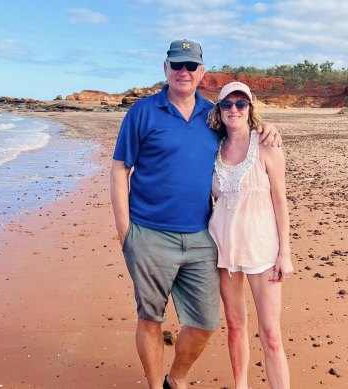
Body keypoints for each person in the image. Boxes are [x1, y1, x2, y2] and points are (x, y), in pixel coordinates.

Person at [110, 39, 281, 389]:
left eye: (191, 66)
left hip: (204, 237)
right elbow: (118, 169)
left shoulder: (211, 116)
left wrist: (268, 127)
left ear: (201, 72)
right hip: (148, 233)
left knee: (206, 321)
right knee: (150, 316)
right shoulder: (142, 112)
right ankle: (156, 385)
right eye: (177, 65)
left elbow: (241, 129)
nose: (183, 72)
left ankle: (178, 377)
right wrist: (124, 228)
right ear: (166, 69)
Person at [207, 82, 294, 389]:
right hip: (224, 248)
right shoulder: (212, 148)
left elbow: (281, 201)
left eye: (241, 104)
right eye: (227, 104)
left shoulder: (267, 145)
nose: (234, 109)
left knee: (270, 334)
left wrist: (285, 253)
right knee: (234, 324)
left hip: (263, 249)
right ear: (219, 110)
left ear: (250, 108)